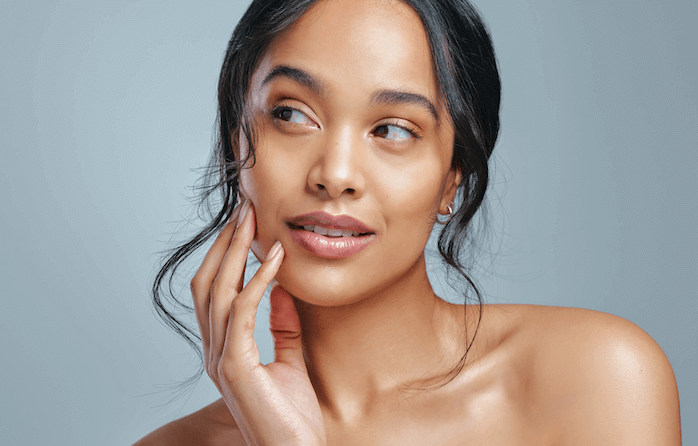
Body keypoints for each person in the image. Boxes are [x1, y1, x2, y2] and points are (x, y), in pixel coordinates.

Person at [135, 0, 681, 444]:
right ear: (238, 143)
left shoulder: (599, 377)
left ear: (452, 178)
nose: (335, 174)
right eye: (292, 114)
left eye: (393, 129)